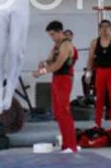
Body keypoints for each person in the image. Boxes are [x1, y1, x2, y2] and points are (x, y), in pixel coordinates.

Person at [32, 21, 78, 153]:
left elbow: (58, 65)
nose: (51, 38)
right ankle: (65, 144)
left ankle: (72, 146)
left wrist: (40, 72)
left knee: (64, 112)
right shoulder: (56, 45)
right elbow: (50, 60)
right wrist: (43, 63)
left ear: (59, 32)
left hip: (64, 79)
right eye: (50, 35)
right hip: (56, 79)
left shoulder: (66, 45)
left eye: (53, 34)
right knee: (58, 113)